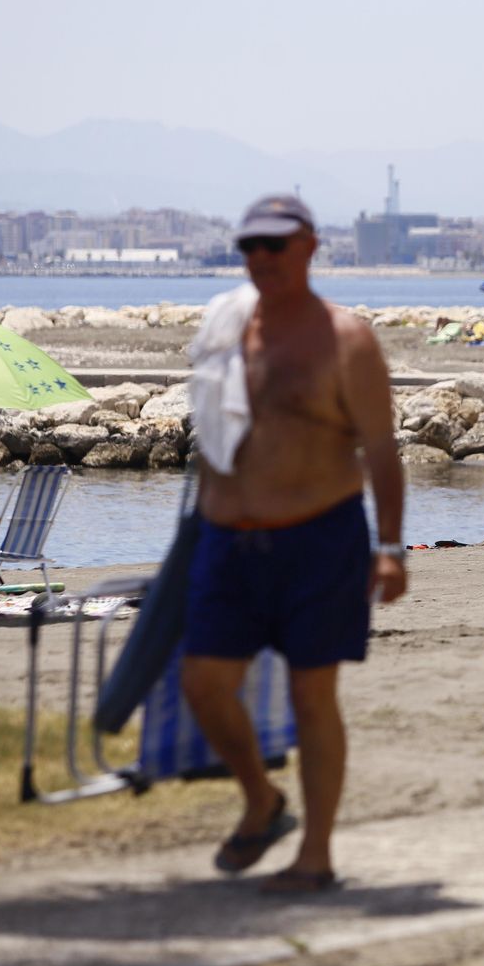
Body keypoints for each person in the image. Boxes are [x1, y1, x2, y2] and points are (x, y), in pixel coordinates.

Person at [180, 194, 406, 894]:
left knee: (314, 698)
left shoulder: (346, 339)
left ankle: (316, 854)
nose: (261, 259)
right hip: (225, 538)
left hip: (319, 538)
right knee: (203, 681)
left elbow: (382, 450)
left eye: (275, 246)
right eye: (250, 246)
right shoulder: (226, 328)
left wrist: (392, 544)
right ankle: (262, 797)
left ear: (310, 246)